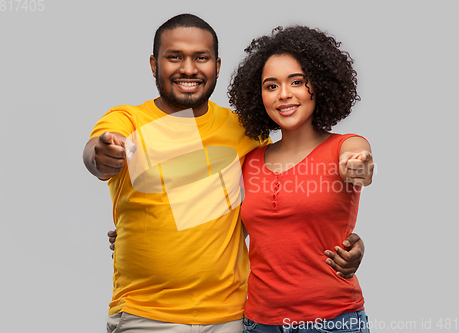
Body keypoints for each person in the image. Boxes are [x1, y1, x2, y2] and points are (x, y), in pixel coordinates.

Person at [84, 14, 366, 332]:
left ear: (217, 66)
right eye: (174, 57)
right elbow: (96, 154)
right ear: (154, 64)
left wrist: (348, 244)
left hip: (231, 317)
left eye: (200, 58)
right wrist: (106, 156)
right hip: (145, 316)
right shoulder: (127, 120)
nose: (188, 69)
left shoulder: (244, 131)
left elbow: (286, 204)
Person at [227, 26, 374, 332]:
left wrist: (358, 166)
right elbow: (223, 235)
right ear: (259, 96)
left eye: (297, 82)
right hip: (258, 323)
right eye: (271, 86)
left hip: (332, 321)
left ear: (319, 85)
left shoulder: (343, 147)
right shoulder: (248, 162)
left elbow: (359, 159)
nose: (284, 94)